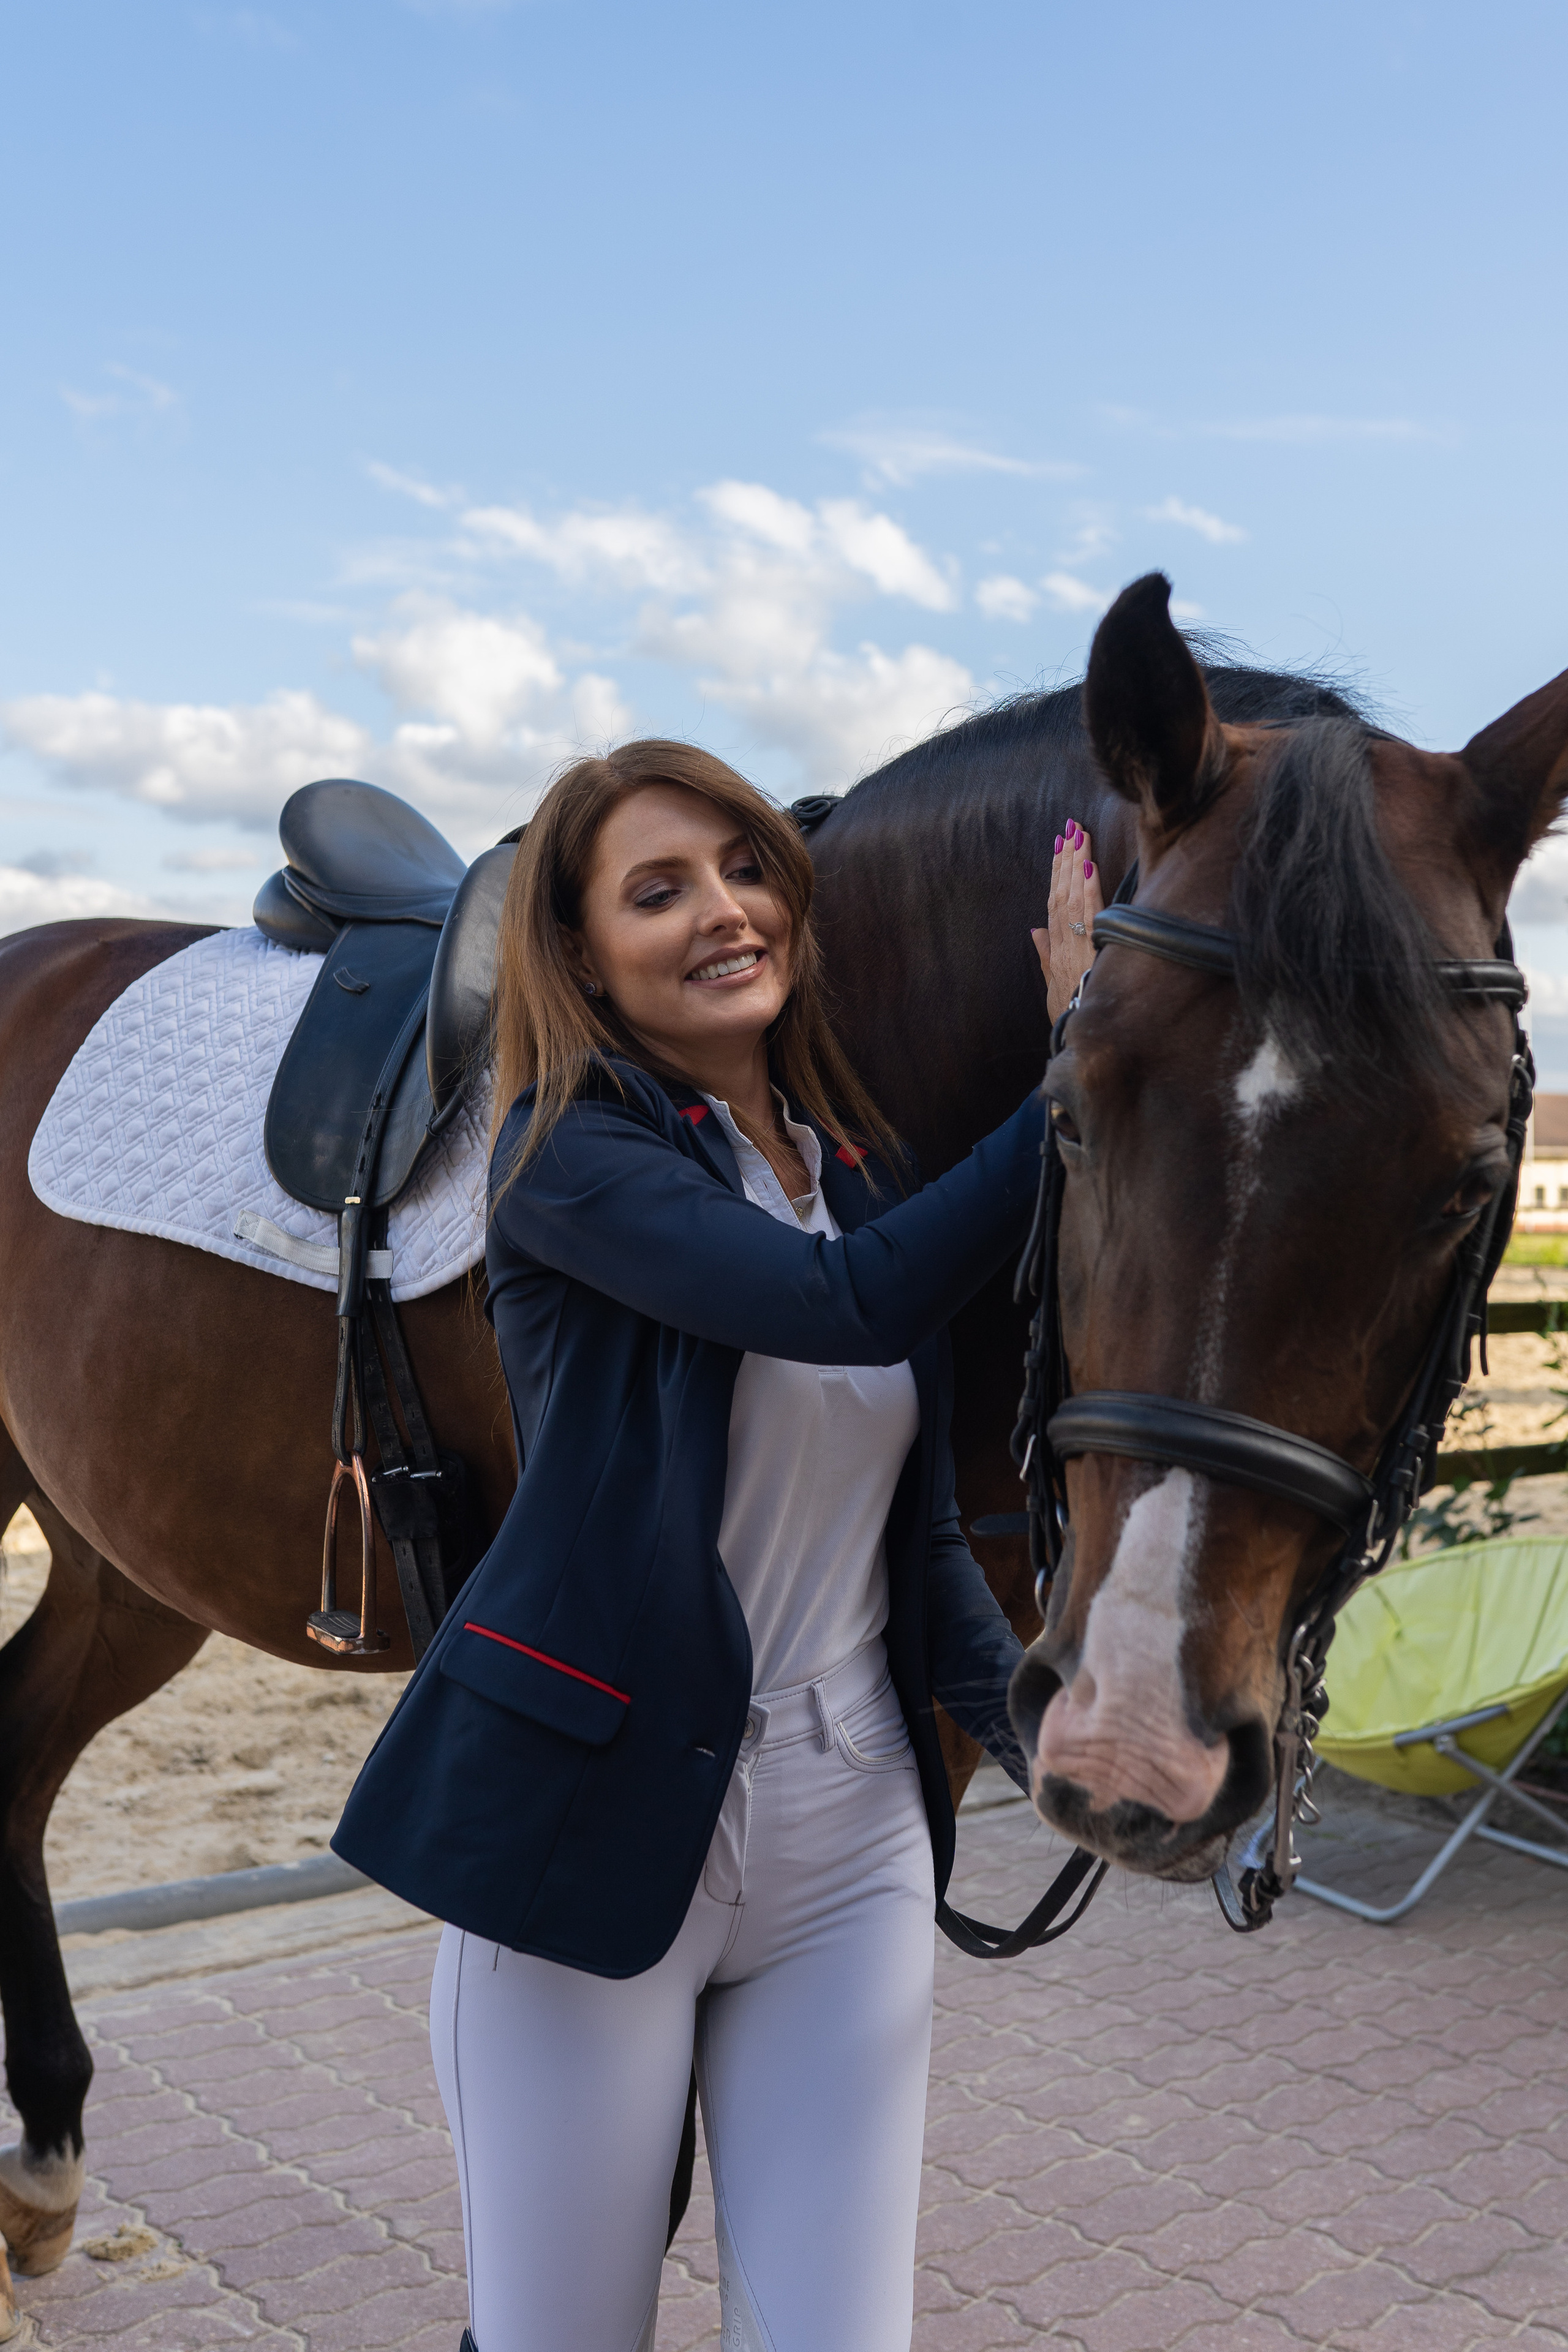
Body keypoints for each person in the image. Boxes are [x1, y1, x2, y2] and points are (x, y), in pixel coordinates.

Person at [334, 745, 1103, 2352]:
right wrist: (1076, 1068)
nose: (722, 910)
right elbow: (850, 1305)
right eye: (657, 890)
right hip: (590, 1829)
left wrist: (1045, 1740)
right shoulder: (563, 1162)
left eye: (745, 866)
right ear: (582, 954)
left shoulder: (853, 1174)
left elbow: (909, 1546)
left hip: (853, 1832)